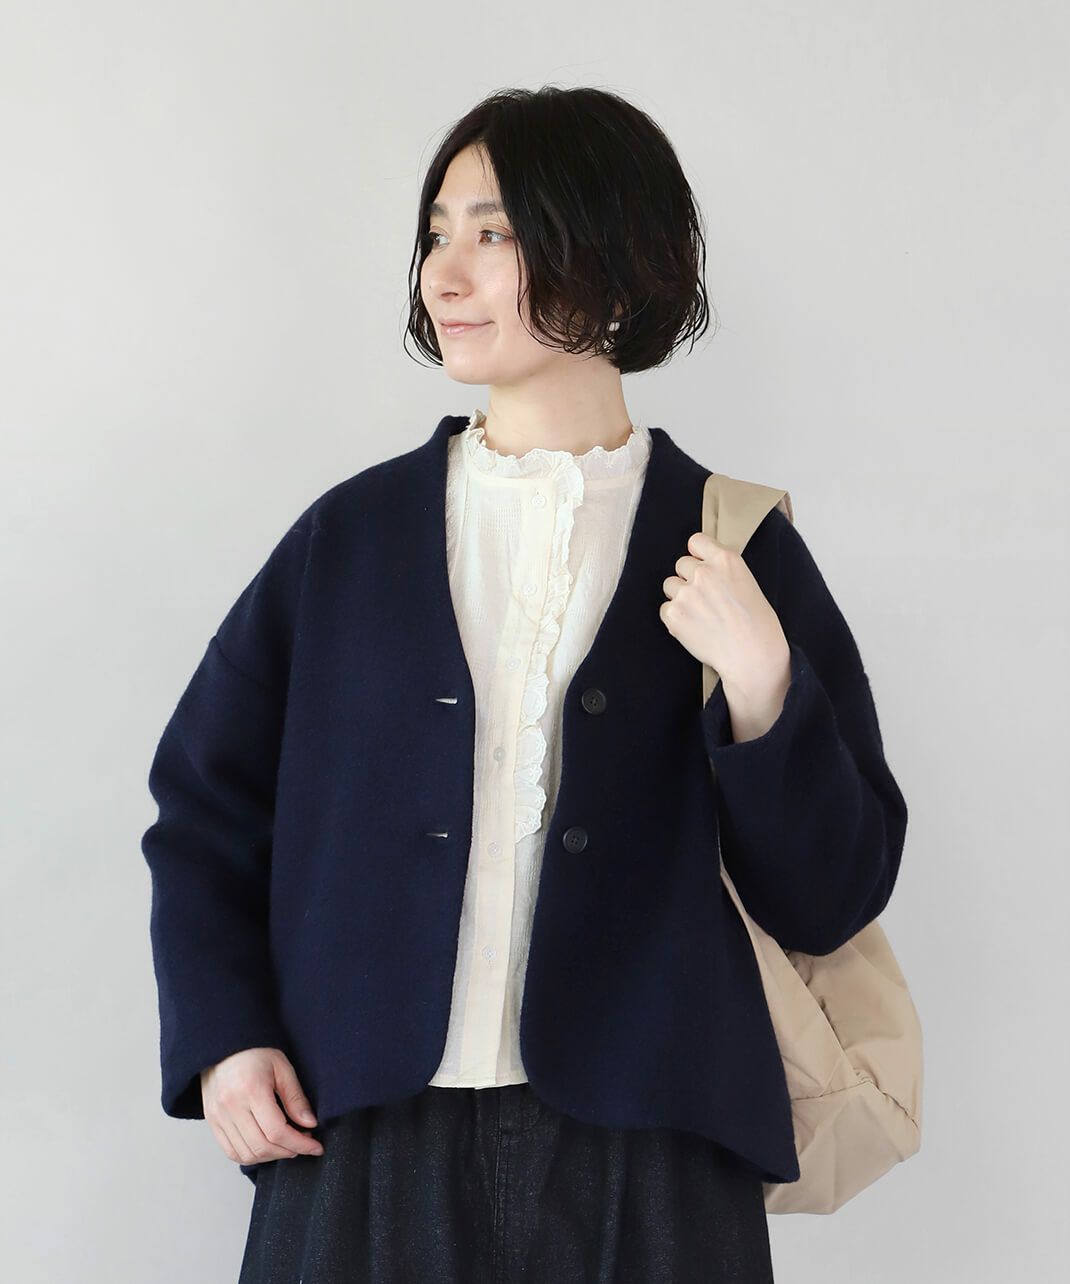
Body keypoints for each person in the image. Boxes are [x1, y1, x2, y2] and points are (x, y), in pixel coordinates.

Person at [141, 85, 908, 1282]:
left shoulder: (734, 546)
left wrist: (764, 692)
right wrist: (225, 1037)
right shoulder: (349, 541)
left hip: (653, 1150)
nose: (444, 275)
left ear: (611, 258)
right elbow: (204, 808)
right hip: (363, 1132)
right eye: (435, 234)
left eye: (492, 234)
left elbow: (832, 896)